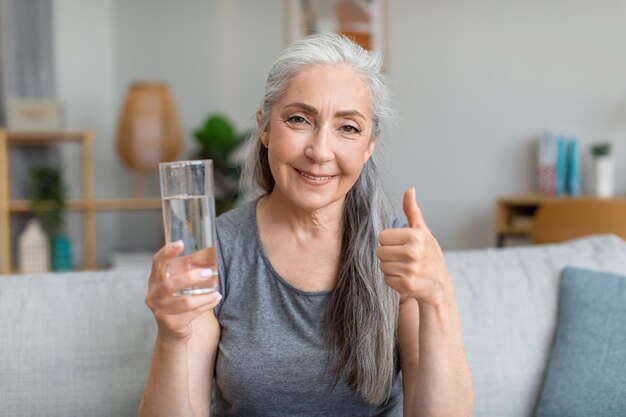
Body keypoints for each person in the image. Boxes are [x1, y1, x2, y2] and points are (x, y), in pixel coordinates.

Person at [139, 33, 474, 417]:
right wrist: (172, 336)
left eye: (348, 127)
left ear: (368, 146)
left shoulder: (400, 253)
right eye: (299, 119)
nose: (319, 151)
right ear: (264, 128)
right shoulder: (217, 251)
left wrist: (438, 296)